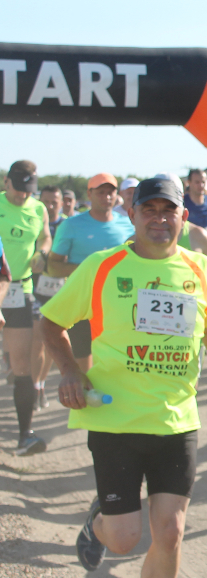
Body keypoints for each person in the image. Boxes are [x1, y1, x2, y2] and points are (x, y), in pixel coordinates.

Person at [42, 176, 207, 578]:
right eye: (149, 210)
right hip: (116, 419)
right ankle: (99, 524)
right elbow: (51, 322)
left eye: (168, 210)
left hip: (176, 419)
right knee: (124, 539)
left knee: (170, 531)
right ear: (131, 215)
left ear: (183, 217)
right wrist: (70, 370)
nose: (159, 219)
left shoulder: (200, 268)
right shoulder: (103, 266)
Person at [47, 173, 136, 373]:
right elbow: (53, 266)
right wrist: (90, 270)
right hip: (83, 300)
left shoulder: (127, 224)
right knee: (84, 362)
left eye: (110, 192)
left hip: (119, 301)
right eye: (101, 192)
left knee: (117, 359)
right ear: (89, 194)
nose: (106, 197)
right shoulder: (71, 225)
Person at [0, 160, 52, 455]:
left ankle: (24, 436)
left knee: (22, 365)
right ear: (6, 182)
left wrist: (42, 252)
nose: (23, 195)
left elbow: (45, 235)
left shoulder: (38, 208)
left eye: (28, 190)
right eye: (19, 188)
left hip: (20, 289)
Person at [31, 185, 67, 409]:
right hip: (36, 290)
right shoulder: (34, 223)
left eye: (55, 202)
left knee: (51, 343)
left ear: (62, 203)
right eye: (46, 202)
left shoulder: (69, 226)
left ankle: (41, 383)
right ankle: (35, 387)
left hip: (61, 292)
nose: (51, 206)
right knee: (37, 341)